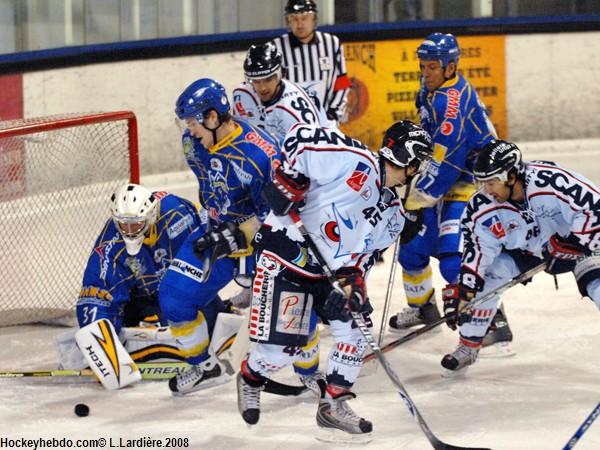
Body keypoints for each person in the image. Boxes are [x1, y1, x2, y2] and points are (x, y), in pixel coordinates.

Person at [236, 120, 433, 438]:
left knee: (357, 331)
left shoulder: (394, 213)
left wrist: (354, 285)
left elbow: (360, 258)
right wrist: (289, 181)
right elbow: (299, 136)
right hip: (287, 255)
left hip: (327, 274)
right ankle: (250, 376)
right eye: (420, 161)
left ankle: (333, 406)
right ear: (409, 158)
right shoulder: (355, 158)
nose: (420, 169)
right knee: (281, 351)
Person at [387, 32, 509, 351]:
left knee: (454, 258)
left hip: (473, 180)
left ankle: (494, 320)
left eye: (432, 67)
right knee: (412, 247)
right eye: (423, 66)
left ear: (450, 66)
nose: (425, 73)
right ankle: (423, 308)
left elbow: (448, 158)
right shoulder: (432, 90)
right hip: (446, 175)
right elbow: (431, 143)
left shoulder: (451, 102)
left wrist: (417, 196)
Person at [160, 78, 280, 395]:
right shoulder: (193, 143)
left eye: (193, 122)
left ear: (213, 117)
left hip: (256, 244)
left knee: (291, 316)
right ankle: (205, 367)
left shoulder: (260, 157)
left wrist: (236, 237)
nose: (189, 130)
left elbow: (275, 218)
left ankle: (318, 369)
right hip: (213, 232)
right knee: (173, 297)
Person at [441, 140, 600, 372]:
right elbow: (476, 251)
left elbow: (594, 208)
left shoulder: (551, 180)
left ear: (512, 176)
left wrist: (576, 243)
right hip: (526, 252)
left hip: (576, 243)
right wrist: (465, 293)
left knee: (596, 281)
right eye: (482, 182)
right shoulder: (481, 206)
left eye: (492, 182)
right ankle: (469, 344)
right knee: (486, 278)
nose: (486, 189)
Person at [58, 184, 204, 371]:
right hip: (143, 298)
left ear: (149, 216)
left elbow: (207, 243)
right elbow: (97, 291)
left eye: (135, 224)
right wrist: (99, 345)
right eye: (122, 224)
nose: (129, 230)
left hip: (181, 290)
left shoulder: (177, 215)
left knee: (200, 314)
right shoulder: (110, 245)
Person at [232, 41, 330, 144]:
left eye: (268, 79)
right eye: (256, 81)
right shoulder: (242, 95)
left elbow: (315, 151)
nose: (262, 88)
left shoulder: (293, 111)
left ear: (281, 74)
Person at [273, 0, 350, 124]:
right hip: (290, 123)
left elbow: (341, 82)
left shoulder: (331, 43)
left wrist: (333, 115)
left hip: (327, 121)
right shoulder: (275, 48)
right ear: (288, 22)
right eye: (294, 18)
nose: (300, 24)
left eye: (305, 18)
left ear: (314, 19)